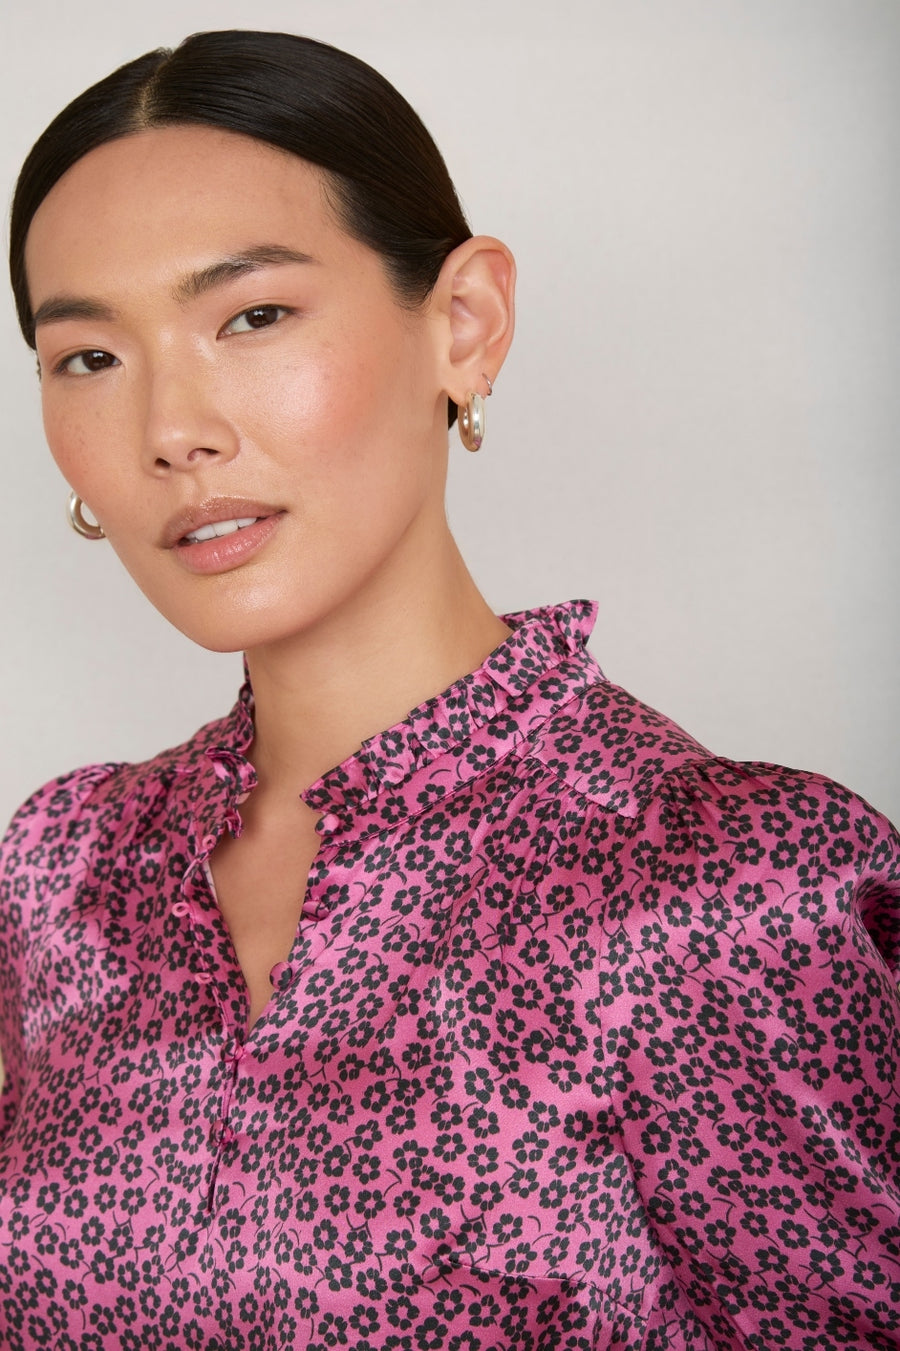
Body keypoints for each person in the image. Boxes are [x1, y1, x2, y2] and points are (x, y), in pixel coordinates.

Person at [1, 28, 898, 1351]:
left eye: (253, 317)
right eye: (89, 357)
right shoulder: (65, 873)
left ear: (464, 324)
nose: (170, 432)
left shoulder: (732, 888)